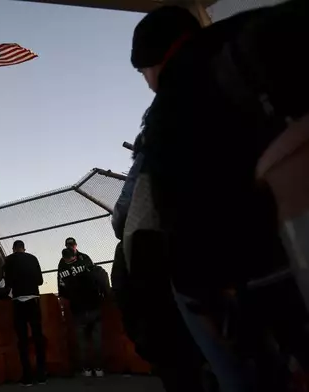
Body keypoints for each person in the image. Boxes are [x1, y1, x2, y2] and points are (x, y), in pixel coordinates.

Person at [131, 4, 307, 391]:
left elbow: (181, 218)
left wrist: (205, 302)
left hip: (267, 265)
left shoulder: (173, 102)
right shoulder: (264, 31)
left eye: (144, 71)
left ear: (155, 60)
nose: (147, 83)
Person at [57, 243, 109, 378]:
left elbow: (63, 291)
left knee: (82, 342)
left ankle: (86, 368)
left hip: (78, 309)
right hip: (93, 305)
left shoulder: (63, 269)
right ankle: (98, 368)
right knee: (96, 339)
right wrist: (103, 294)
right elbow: (98, 279)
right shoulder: (86, 262)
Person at [3, 240, 46, 386]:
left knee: (22, 340)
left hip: (19, 301)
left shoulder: (8, 260)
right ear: (24, 248)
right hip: (34, 300)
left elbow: (7, 282)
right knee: (38, 337)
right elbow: (40, 281)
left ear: (14, 249)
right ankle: (42, 376)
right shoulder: (33, 258)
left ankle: (27, 377)